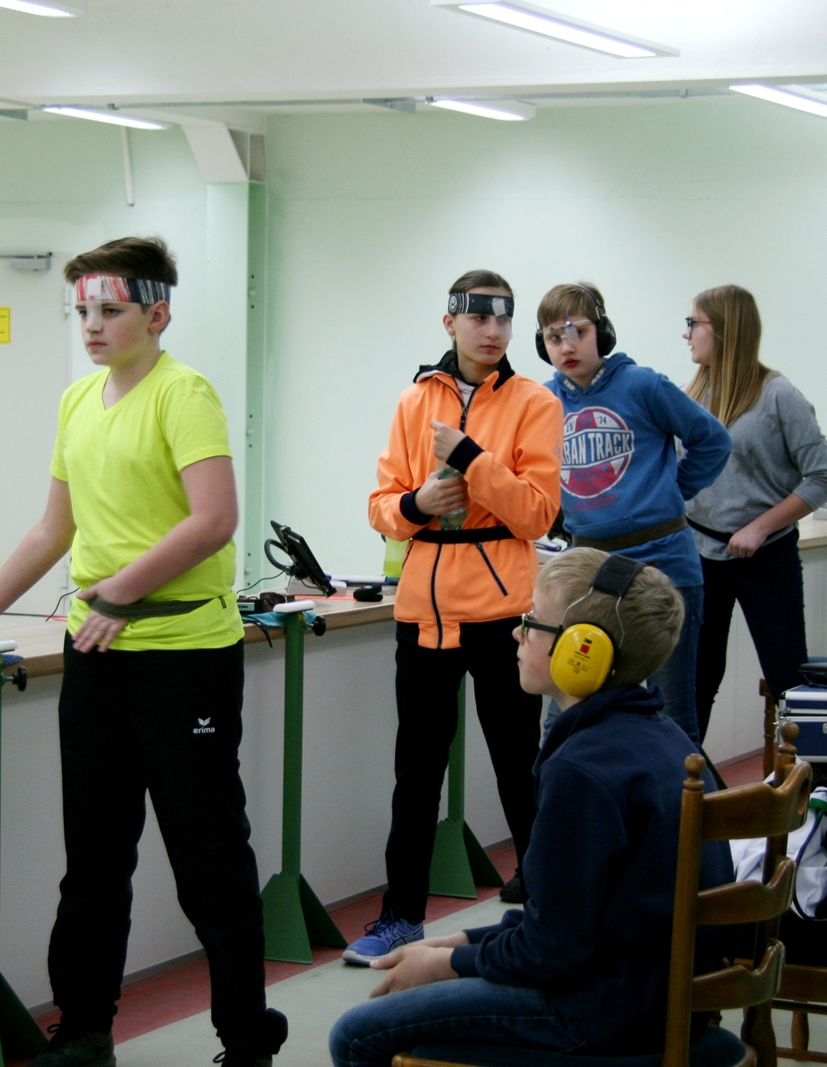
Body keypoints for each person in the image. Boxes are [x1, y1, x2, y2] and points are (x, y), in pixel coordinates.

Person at [0, 237, 286, 1067]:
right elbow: (54, 528)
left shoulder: (184, 394)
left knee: (208, 858)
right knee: (92, 858)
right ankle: (85, 1029)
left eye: (110, 310)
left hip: (183, 655)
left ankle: (246, 1037)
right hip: (98, 653)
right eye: (82, 310)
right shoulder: (78, 401)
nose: (91, 325)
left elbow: (214, 519)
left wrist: (120, 590)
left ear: (158, 315)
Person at [327, 548, 734, 1067]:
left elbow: (552, 952)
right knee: (421, 1035)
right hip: (654, 1000)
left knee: (356, 1035)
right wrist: (457, 941)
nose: (516, 635)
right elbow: (566, 919)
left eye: (532, 622)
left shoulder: (582, 770)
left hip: (600, 1012)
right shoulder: (663, 739)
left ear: (584, 651)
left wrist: (447, 965)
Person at [353, 270, 563, 959]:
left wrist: (472, 460)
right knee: (415, 772)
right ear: (450, 322)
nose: (492, 331)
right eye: (478, 317)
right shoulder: (414, 400)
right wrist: (416, 506)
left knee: (519, 766)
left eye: (503, 319)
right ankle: (399, 916)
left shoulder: (535, 403)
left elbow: (538, 513)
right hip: (423, 614)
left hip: (505, 615)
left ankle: (550, 912)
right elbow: (381, 503)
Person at [538, 283, 731, 744]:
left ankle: (677, 794)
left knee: (674, 714)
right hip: (589, 570)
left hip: (665, 563)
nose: (566, 347)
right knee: (563, 713)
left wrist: (670, 491)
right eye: (553, 337)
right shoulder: (543, 402)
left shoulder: (644, 385)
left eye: (578, 333)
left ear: (602, 334)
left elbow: (713, 442)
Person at [682, 285, 827, 743]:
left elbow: (825, 476)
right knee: (696, 681)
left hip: (766, 555)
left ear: (725, 330)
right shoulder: (691, 394)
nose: (686, 334)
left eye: (693, 323)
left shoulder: (778, 396)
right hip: (699, 555)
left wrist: (759, 527)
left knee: (787, 675)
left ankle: (805, 779)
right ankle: (684, 782)